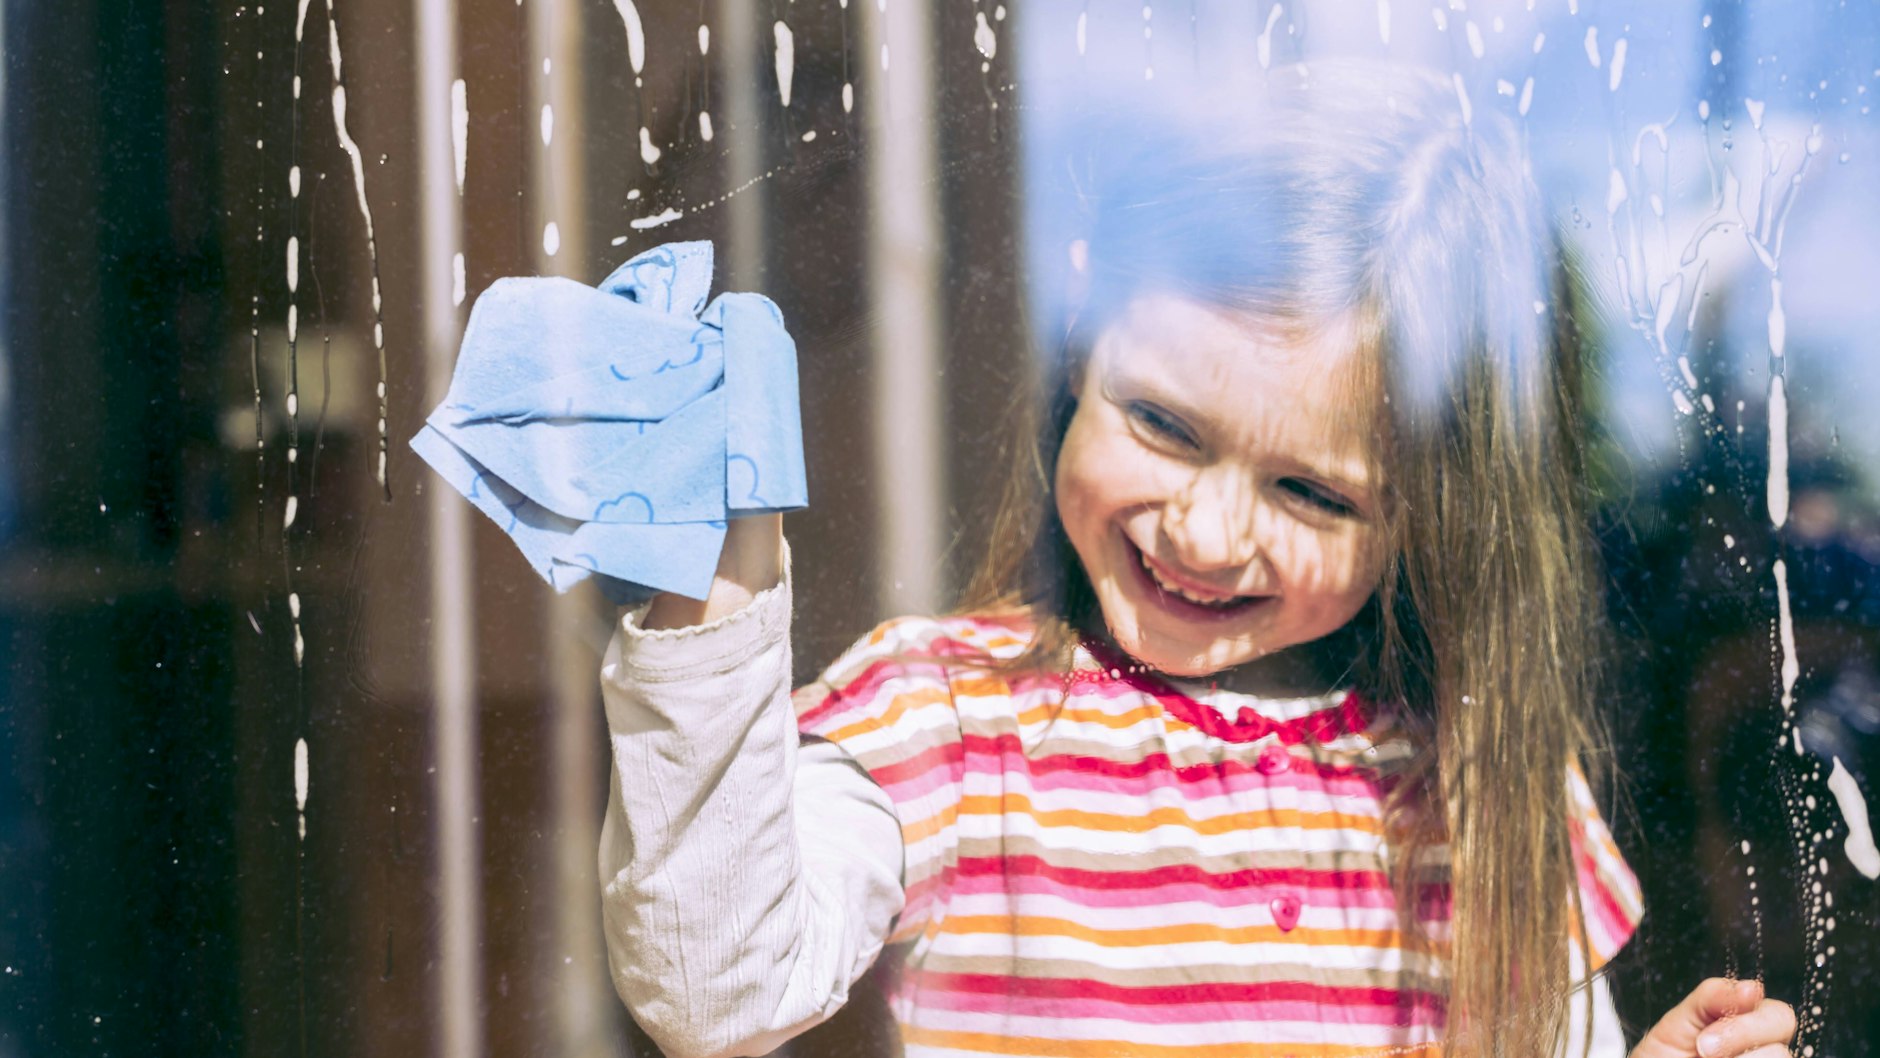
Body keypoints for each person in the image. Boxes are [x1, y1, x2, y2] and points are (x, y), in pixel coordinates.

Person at [593, 64, 1797, 1058]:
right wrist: (714, 569)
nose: (1206, 534)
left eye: (1311, 492)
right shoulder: (954, 716)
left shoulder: (1476, 782)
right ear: (1079, 349)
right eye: (1161, 423)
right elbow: (715, 987)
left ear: (1429, 520)